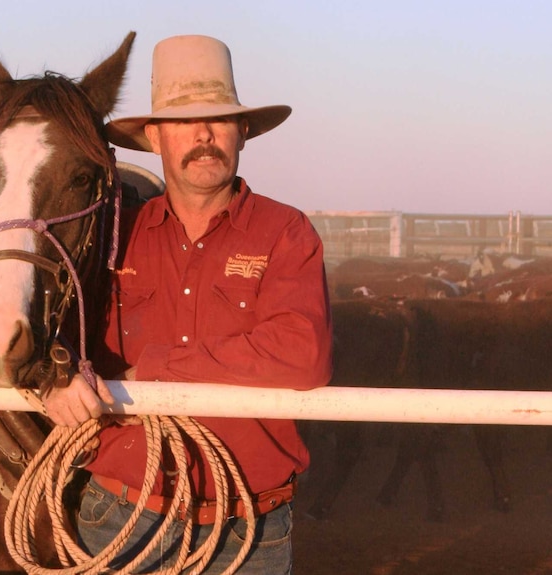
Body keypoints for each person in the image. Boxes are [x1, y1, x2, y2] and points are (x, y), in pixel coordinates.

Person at [42, 34, 333, 574]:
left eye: (219, 120)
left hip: (246, 526)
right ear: (154, 138)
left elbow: (301, 353)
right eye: (182, 123)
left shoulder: (284, 232)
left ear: (243, 131)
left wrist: (151, 370)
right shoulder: (111, 234)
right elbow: (39, 315)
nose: (203, 136)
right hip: (122, 514)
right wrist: (54, 371)